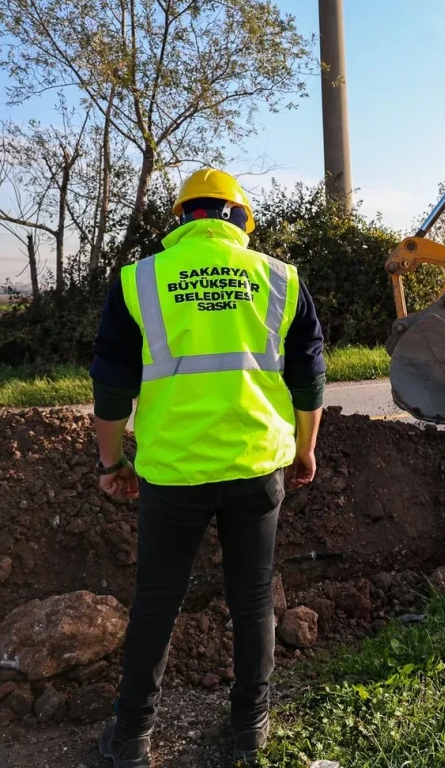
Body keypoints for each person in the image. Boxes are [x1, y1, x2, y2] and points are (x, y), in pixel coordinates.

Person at [91, 168, 327, 768]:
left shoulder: (140, 279)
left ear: (181, 220)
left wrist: (112, 462)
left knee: (156, 602)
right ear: (241, 220)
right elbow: (308, 378)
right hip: (255, 469)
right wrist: (305, 449)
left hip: (173, 474)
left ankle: (133, 738)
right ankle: (249, 731)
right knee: (252, 602)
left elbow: (112, 387)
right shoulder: (279, 278)